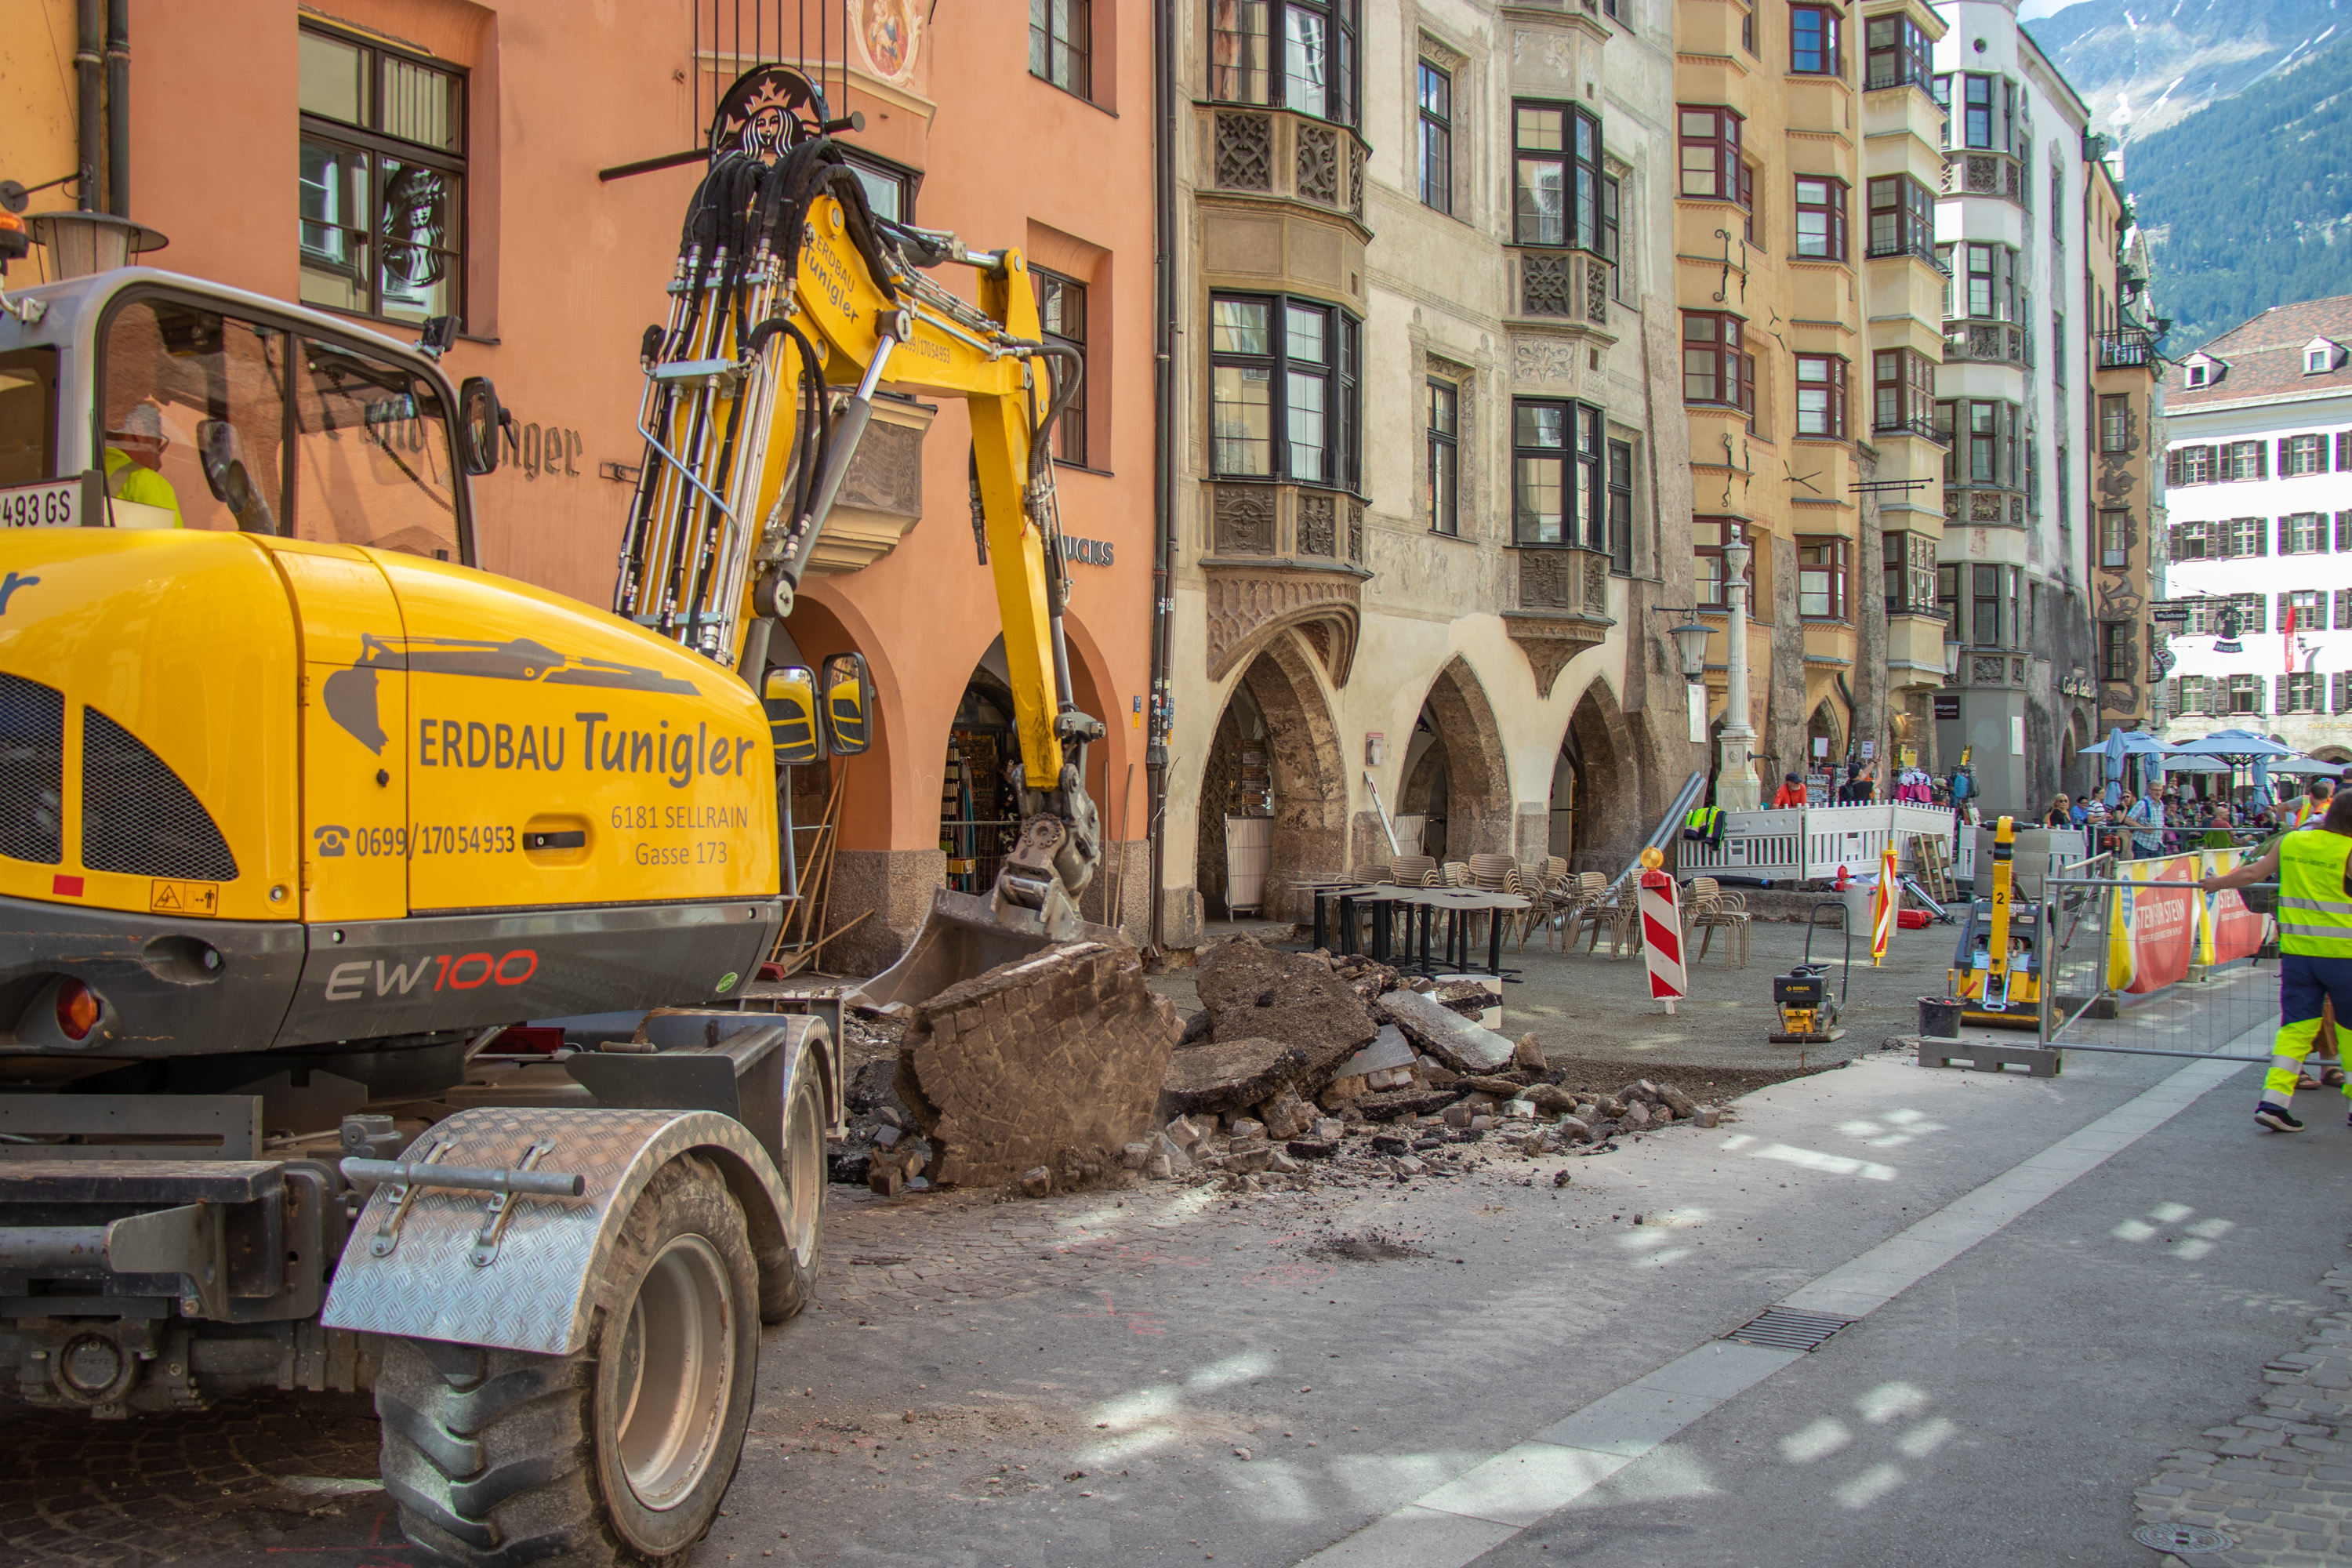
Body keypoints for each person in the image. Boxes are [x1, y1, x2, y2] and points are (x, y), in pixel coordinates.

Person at [2201, 790, 2352, 1131]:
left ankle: (2274, 1102)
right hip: (2345, 957)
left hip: (2298, 955)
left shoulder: (2293, 841)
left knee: (2295, 1029)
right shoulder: (2349, 850)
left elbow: (2252, 873)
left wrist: (2216, 883)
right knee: (2350, 1032)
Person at [103, 403, 183, 526]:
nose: (160, 463)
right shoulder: (144, 480)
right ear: (138, 429)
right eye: (158, 443)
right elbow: (173, 544)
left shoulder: (85, 464)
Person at [2124, 788, 2165, 858]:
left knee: (2159, 868)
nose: (2158, 793)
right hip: (2142, 843)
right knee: (2140, 867)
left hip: (2157, 843)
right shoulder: (2142, 803)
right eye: (2156, 790)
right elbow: (2128, 819)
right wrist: (2145, 829)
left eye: (2160, 790)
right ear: (2149, 790)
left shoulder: (2161, 804)